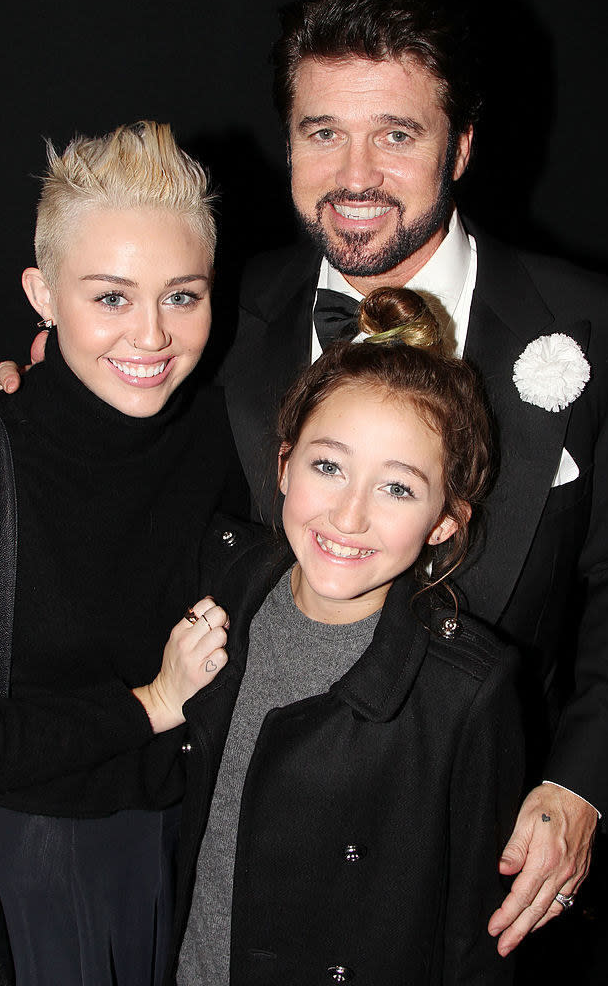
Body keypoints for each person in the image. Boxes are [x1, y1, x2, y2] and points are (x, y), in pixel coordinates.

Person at [0, 0, 608, 960]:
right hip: (240, 829)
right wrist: (5, 395)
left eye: (398, 133)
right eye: (323, 131)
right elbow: (102, 403)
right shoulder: (223, 312)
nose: (355, 174)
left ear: (461, 144)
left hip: (482, 835)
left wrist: (582, 783)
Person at [0, 120, 248, 985]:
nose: (150, 336)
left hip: (200, 844)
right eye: (110, 297)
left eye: (181, 295)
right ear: (41, 294)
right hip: (30, 867)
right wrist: (149, 703)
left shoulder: (232, 435)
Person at [169, 286, 524, 985]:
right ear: (283, 466)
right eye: (327, 466)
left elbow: (472, 937)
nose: (348, 515)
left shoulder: (464, 690)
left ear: (444, 521)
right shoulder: (223, 590)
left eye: (396, 488)